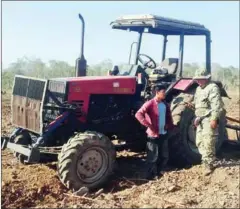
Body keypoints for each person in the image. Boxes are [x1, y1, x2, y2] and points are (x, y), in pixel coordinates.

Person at [187, 68, 224, 176]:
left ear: (206, 78)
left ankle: (209, 164)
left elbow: (216, 105)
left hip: (208, 118)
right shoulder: (199, 89)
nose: (198, 81)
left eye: (200, 79)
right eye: (197, 79)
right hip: (200, 118)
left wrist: (214, 119)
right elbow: (198, 104)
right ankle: (207, 160)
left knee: (208, 141)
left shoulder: (212, 87)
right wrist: (192, 105)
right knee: (199, 141)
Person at [135, 85, 174, 180]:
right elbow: (138, 114)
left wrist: (169, 125)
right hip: (153, 135)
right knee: (152, 157)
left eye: (164, 92)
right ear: (157, 93)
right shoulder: (150, 104)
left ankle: (160, 172)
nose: (164, 94)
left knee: (164, 155)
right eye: (163, 92)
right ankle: (151, 175)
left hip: (163, 133)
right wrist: (148, 125)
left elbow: (168, 117)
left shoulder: (165, 104)